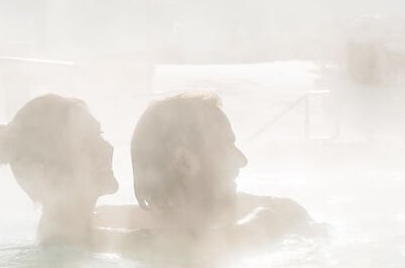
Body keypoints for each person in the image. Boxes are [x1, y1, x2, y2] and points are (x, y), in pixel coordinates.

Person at [129, 92, 312, 249]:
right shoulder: (268, 222)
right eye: (226, 146)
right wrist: (256, 226)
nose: (242, 161)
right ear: (184, 161)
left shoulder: (285, 214)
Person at [0, 93, 139, 250]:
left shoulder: (73, 237)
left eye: (99, 134)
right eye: (86, 141)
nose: (107, 148)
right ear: (43, 174)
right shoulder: (60, 255)